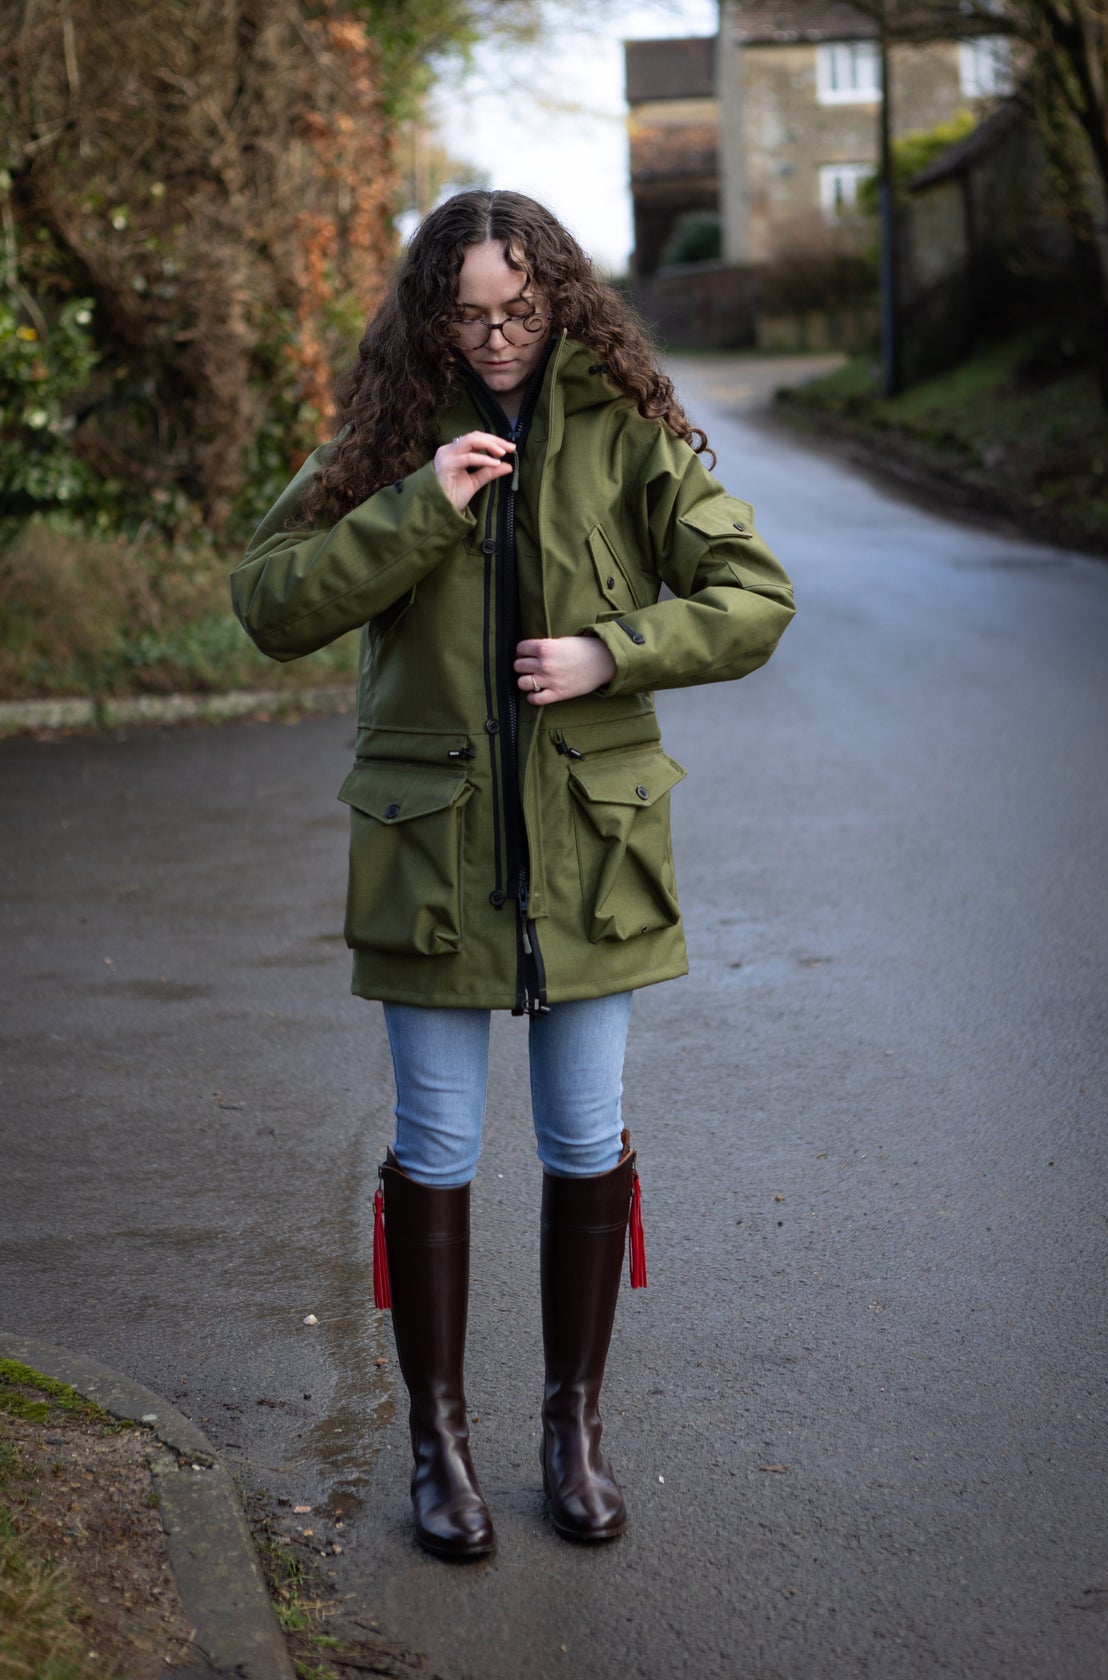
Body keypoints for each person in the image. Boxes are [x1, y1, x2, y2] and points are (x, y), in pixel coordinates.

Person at [231, 190, 794, 1561]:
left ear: (564, 302)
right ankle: (440, 1448)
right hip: (431, 854)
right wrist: (420, 507)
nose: (497, 339)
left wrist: (615, 652)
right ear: (433, 313)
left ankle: (572, 1434)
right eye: (471, 315)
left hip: (592, 855)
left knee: (584, 1143)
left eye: (522, 313)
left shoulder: (627, 435)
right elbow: (271, 600)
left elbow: (756, 595)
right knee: (432, 1147)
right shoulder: (389, 434)